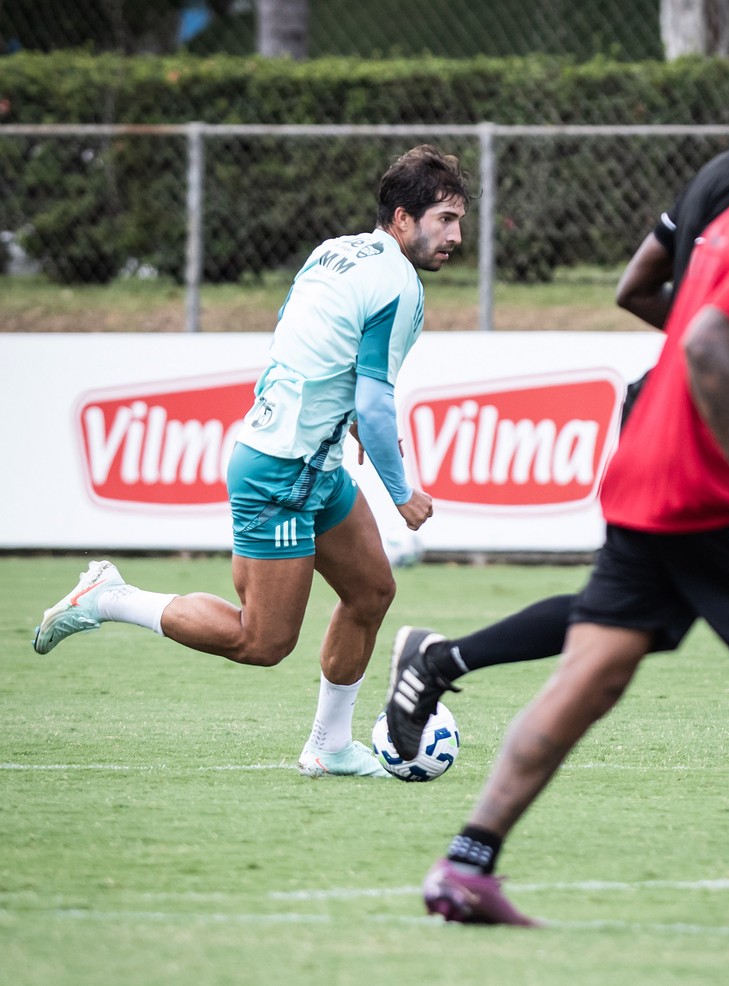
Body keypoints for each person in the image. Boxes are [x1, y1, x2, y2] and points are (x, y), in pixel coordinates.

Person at [386, 51, 729, 843]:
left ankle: (462, 794)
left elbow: (655, 296)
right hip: (711, 444)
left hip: (675, 428)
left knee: (607, 645)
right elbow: (713, 334)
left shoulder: (723, 183)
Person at [32, 145, 471, 780]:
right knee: (261, 640)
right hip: (281, 473)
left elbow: (309, 340)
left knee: (372, 590)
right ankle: (110, 597)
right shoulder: (400, 284)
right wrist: (401, 490)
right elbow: (376, 399)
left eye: (458, 221)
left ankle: (330, 745)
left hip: (307, 463)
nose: (455, 236)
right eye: (444, 219)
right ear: (402, 218)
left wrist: (336, 418)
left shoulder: (335, 251)